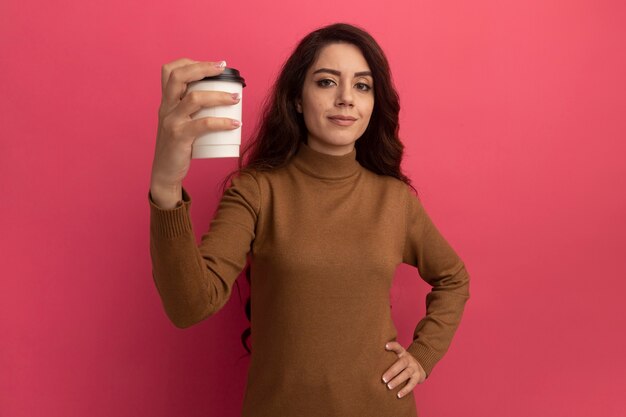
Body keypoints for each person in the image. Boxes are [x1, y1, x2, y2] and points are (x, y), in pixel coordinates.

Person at [149, 22, 470, 417]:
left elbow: (454, 277)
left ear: (374, 103)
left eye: (363, 86)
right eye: (326, 82)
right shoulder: (256, 191)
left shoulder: (394, 200)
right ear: (298, 98)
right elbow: (189, 306)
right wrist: (166, 184)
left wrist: (424, 354)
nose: (346, 99)